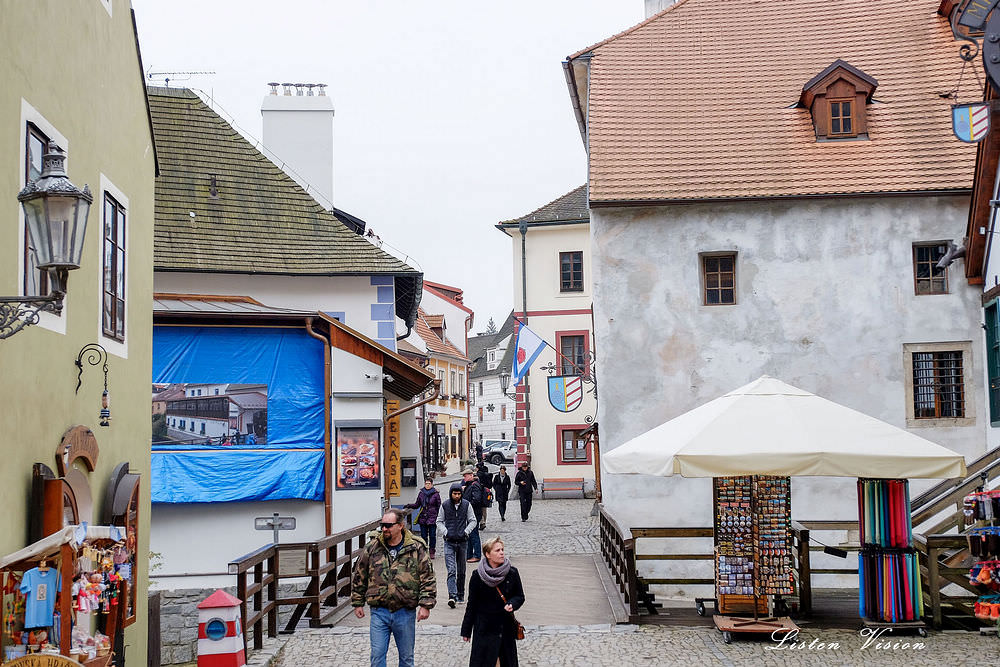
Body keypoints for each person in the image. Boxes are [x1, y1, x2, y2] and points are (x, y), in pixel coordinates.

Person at [351, 509, 436, 667]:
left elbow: (427, 577)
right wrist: (357, 602)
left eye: (388, 525)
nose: (384, 529)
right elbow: (359, 574)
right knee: (377, 656)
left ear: (400, 526)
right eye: (382, 525)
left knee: (406, 658)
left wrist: (426, 605)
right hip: (379, 611)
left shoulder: (416, 547)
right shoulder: (373, 547)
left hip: (404, 611)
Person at [461, 537, 525, 667]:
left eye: (502, 549)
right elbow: (471, 604)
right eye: (497, 550)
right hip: (484, 629)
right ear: (488, 554)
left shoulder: (512, 573)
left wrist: (512, 603)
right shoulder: (477, 576)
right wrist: (466, 630)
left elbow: (520, 596)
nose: (502, 553)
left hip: (504, 629)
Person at [437, 482, 477, 608]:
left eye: (459, 493)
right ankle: (452, 596)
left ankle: (460, 594)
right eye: (455, 494)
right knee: (451, 570)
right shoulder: (445, 505)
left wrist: (466, 532)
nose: (457, 496)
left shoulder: (466, 505)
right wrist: (445, 532)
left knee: (461, 570)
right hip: (449, 541)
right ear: (451, 494)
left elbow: (473, 520)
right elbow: (439, 521)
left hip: (462, 541)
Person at [404, 478, 442, 559]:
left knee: (432, 536)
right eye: (426, 483)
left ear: (432, 484)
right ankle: (424, 550)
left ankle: (432, 551)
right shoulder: (421, 493)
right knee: (423, 536)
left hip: (432, 517)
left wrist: (439, 517)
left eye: (429, 484)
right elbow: (417, 504)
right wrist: (409, 505)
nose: (427, 485)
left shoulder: (436, 494)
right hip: (423, 517)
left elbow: (439, 506)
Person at [462, 467, 486, 562]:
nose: (464, 478)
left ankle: (477, 555)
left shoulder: (474, 485)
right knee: (469, 534)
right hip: (470, 513)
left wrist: (466, 505)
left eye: (465, 476)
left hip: (474, 513)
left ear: (471, 476)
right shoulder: (469, 485)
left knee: (474, 534)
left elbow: (476, 499)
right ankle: (469, 555)